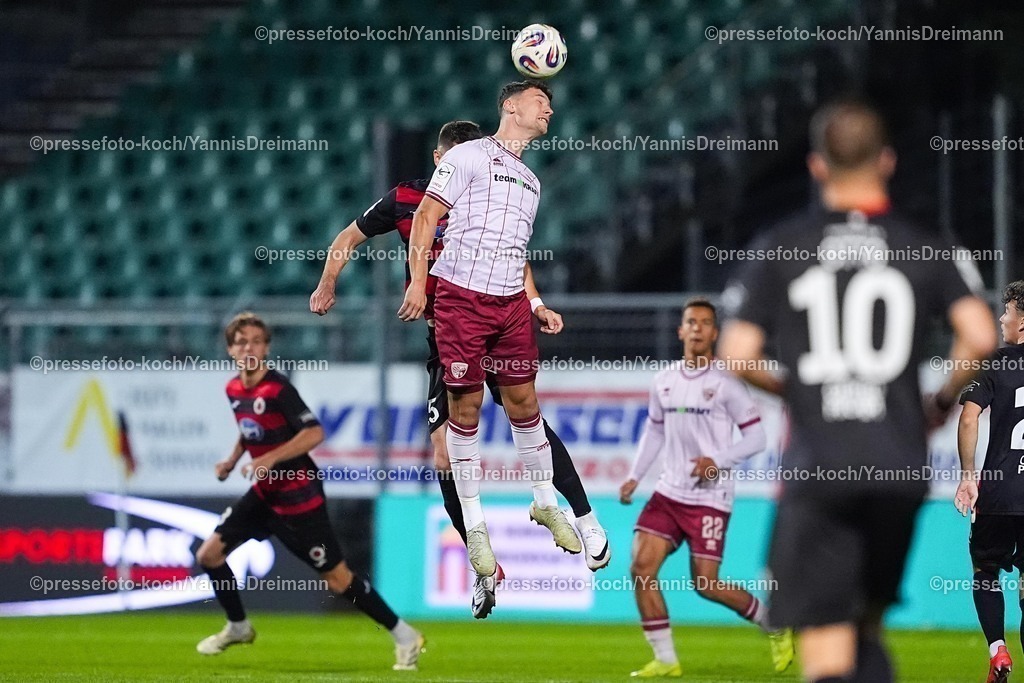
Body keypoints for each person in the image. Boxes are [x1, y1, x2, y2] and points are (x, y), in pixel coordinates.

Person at [718, 100, 997, 683]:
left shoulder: (783, 245)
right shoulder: (925, 244)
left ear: (817, 166)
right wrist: (940, 402)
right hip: (898, 466)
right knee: (867, 630)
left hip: (820, 466)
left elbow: (736, 353)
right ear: (887, 161)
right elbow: (979, 335)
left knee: (825, 642)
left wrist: (794, 390)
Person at [309, 120, 609, 619]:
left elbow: (515, 258)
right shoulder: (407, 199)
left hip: (496, 316)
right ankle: (482, 562)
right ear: (440, 160)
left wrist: (536, 303)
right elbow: (348, 236)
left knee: (527, 413)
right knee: (444, 454)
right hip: (447, 331)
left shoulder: (490, 191)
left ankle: (583, 517)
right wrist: (327, 283)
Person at [398, 81, 587, 604]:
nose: (549, 108)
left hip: (508, 305)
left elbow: (515, 252)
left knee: (525, 402)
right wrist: (418, 282)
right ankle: (476, 526)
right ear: (510, 105)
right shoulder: (468, 155)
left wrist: (535, 303)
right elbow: (426, 215)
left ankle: (545, 502)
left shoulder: (531, 181)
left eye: (551, 102)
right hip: (460, 298)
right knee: (466, 410)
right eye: (540, 100)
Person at [194, 312, 424, 671]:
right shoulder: (234, 389)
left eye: (256, 342)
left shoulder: (278, 389)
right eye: (241, 343)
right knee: (209, 555)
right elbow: (250, 428)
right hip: (265, 495)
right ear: (230, 350)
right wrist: (232, 459)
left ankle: (405, 635)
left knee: (338, 579)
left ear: (266, 348)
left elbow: (314, 432)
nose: (248, 348)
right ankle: (238, 626)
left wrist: (269, 458)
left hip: (300, 501)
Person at [620, 298, 794, 678]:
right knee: (640, 568)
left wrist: (717, 460)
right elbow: (654, 430)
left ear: (714, 333)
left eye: (704, 323)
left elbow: (757, 437)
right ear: (681, 330)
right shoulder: (664, 380)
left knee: (705, 584)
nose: (696, 328)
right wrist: (635, 475)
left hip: (709, 498)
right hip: (668, 493)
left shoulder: (726, 383)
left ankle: (774, 623)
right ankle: (666, 660)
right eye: (690, 322)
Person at [955, 280, 1024, 683]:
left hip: (998, 492)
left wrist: (968, 476)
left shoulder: (994, 362)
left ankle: (998, 649)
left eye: (1008, 311)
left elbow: (969, 418)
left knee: (986, 571)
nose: (1001, 319)